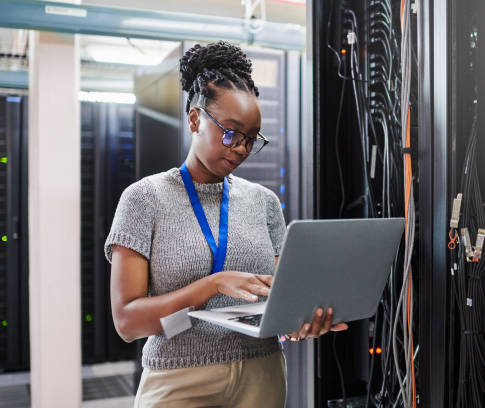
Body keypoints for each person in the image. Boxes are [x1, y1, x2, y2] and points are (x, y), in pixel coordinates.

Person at [104, 41, 348, 407]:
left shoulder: (263, 202)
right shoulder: (144, 199)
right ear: (194, 119)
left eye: (251, 139)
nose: (240, 149)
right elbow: (127, 322)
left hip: (261, 375)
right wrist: (213, 284)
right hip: (178, 381)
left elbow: (282, 300)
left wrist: (301, 321)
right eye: (230, 132)